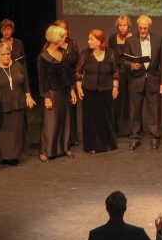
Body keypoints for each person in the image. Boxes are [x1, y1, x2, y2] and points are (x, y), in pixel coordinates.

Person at [0, 42, 36, 165]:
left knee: (17, 131)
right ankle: (5, 156)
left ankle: (15, 155)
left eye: (8, 53)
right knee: (4, 133)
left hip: (17, 103)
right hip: (1, 105)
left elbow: (25, 82)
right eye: (3, 54)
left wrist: (28, 95)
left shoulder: (17, 65)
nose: (7, 56)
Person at [123, 15, 162, 150]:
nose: (143, 31)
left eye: (145, 28)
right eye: (141, 28)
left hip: (153, 79)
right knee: (135, 110)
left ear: (150, 28)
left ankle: (154, 137)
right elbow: (124, 60)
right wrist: (131, 65)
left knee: (154, 110)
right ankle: (135, 137)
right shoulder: (130, 40)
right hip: (136, 80)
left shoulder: (158, 39)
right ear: (137, 27)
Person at [37, 24, 78, 162]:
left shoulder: (64, 53)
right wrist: (46, 97)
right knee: (51, 123)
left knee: (65, 121)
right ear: (54, 38)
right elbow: (41, 79)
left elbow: (69, 74)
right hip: (52, 93)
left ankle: (65, 147)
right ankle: (46, 151)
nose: (64, 38)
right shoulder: (43, 57)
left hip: (65, 90)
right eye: (62, 36)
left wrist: (72, 90)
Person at [76, 29, 120, 154]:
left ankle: (107, 144)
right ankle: (91, 145)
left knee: (106, 117)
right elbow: (78, 73)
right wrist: (79, 88)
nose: (88, 41)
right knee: (91, 118)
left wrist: (116, 87)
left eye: (91, 39)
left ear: (100, 41)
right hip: (89, 90)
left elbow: (115, 72)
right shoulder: (85, 53)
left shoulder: (110, 53)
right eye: (89, 38)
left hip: (106, 89)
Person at [54, 19, 81, 145]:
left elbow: (78, 62)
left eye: (65, 28)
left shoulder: (72, 43)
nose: (64, 31)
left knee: (71, 110)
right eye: (61, 28)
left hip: (71, 80)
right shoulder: (52, 44)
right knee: (59, 111)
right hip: (58, 81)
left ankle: (71, 137)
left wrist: (78, 79)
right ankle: (59, 138)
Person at [110, 16, 133, 136]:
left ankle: (129, 129)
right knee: (116, 101)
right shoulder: (113, 38)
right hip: (117, 73)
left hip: (130, 74)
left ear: (129, 26)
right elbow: (110, 55)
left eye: (125, 25)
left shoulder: (134, 38)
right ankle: (116, 128)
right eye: (120, 25)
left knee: (129, 101)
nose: (123, 28)